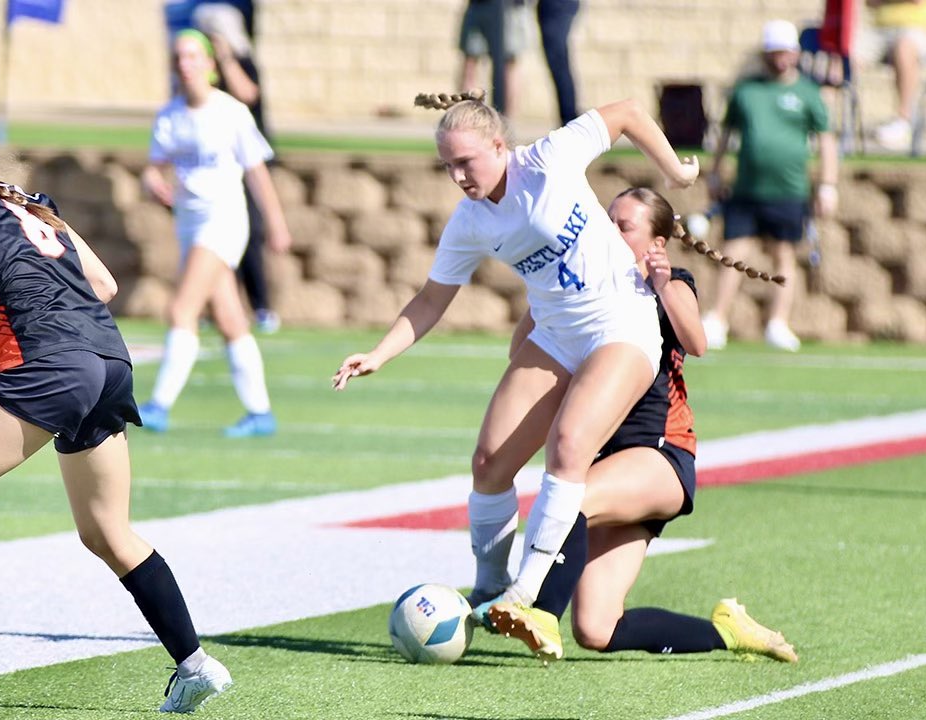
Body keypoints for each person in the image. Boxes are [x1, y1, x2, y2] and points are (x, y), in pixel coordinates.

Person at [333, 89, 699, 660]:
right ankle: (488, 588)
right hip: (555, 336)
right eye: (448, 166)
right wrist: (380, 353)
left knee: (570, 447)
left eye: (466, 162)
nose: (457, 176)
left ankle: (525, 595)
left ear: (500, 146)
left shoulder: (548, 158)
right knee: (489, 463)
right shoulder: (470, 221)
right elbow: (431, 299)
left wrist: (674, 170)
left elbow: (627, 111)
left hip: (622, 326)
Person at [0, 110, 231, 712]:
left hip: (54, 365)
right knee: (107, 531)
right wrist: (16, 326)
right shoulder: (32, 201)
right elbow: (102, 285)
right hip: (108, 360)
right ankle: (195, 664)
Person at [487, 188, 797, 663]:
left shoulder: (671, 283)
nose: (608, 231)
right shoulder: (581, 287)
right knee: (597, 627)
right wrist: (549, 296)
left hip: (660, 456)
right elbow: (521, 354)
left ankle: (540, 612)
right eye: (605, 221)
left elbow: (697, 341)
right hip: (611, 464)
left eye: (623, 226)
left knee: (573, 499)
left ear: (657, 241)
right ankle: (730, 632)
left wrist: (662, 282)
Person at [138, 29, 292, 437]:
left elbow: (257, 172)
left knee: (181, 310)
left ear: (209, 64)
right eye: (179, 57)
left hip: (223, 221)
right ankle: (260, 413)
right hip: (187, 222)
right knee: (229, 319)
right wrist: (152, 183)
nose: (185, 64)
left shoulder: (231, 112)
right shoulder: (169, 115)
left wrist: (276, 224)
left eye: (193, 56)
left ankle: (158, 405)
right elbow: (155, 168)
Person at [701, 19, 839, 353]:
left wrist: (828, 184)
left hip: (789, 190)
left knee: (783, 256)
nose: (780, 58)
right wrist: (715, 173)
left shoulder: (808, 92)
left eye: (786, 52)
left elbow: (826, 141)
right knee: (734, 252)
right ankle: (717, 319)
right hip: (747, 188)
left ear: (795, 53)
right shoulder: (746, 91)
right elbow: (726, 135)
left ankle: (778, 322)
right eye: (774, 52)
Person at [192, 2, 282, 334]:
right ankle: (206, 304)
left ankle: (261, 306)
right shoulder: (204, 72)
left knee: (251, 234)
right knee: (210, 238)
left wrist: (227, 57)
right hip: (216, 165)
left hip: (248, 160)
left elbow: (248, 94)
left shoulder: (242, 63)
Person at [861, 0, 926, 151]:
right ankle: (819, 119)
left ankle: (903, 121)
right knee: (842, 47)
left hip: (925, 30)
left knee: (904, 46)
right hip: (880, 30)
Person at [458, 0, 535, 115]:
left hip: (510, 8)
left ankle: (505, 121)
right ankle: (467, 118)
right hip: (478, 5)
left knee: (509, 64)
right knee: (471, 61)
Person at [536, 0, 581, 124]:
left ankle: (569, 119)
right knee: (558, 64)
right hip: (552, 6)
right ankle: (569, 119)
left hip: (557, 5)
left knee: (558, 63)